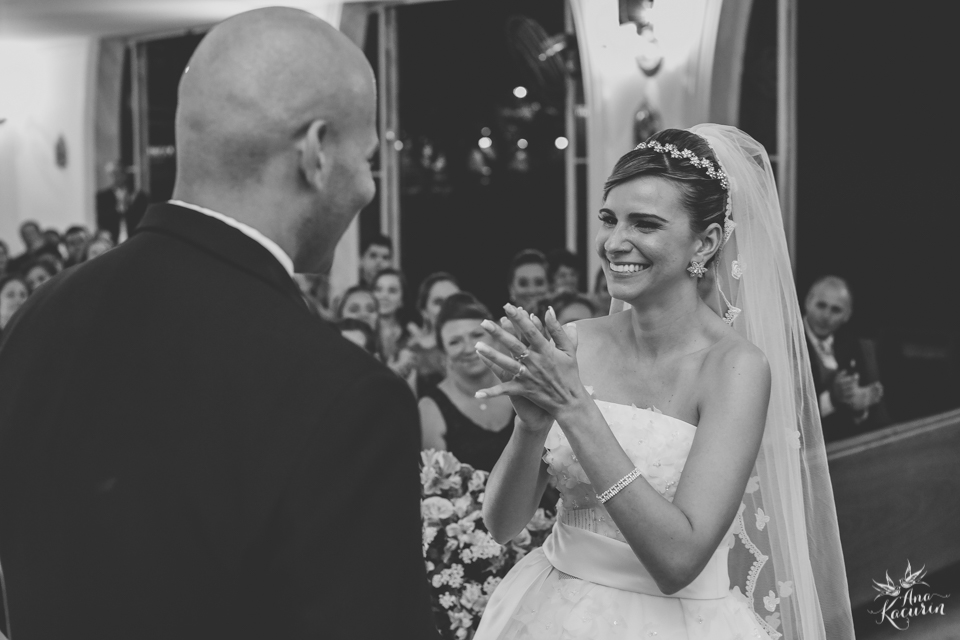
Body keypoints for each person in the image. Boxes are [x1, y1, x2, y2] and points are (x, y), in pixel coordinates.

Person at [0, 8, 436, 639]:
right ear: (315, 152)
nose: (369, 187)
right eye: (369, 158)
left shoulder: (39, 318)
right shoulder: (347, 397)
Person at [473, 126, 853, 640]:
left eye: (645, 224)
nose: (614, 242)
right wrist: (530, 427)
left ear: (708, 241)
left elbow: (679, 561)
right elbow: (501, 525)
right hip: (548, 610)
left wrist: (575, 408)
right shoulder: (576, 341)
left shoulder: (734, 367)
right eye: (609, 219)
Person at [419, 293, 515, 471]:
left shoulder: (520, 388)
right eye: (455, 342)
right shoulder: (430, 407)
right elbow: (438, 488)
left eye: (476, 335)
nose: (469, 348)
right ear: (443, 352)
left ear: (494, 338)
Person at [803, 276, 887, 441]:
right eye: (821, 305)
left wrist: (859, 408)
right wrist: (832, 398)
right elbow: (792, 414)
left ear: (847, 315)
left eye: (836, 310)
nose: (826, 316)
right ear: (807, 302)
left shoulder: (856, 346)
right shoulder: (786, 341)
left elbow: (862, 422)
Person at [407, 271, 460, 397]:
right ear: (424, 311)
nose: (447, 308)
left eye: (454, 300)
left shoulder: (480, 345)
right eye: (439, 302)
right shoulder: (413, 353)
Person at [95, 160, 151, 244]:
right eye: (114, 174)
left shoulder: (138, 195)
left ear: (125, 175)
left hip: (134, 236)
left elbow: (143, 217)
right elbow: (102, 219)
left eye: (120, 174)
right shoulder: (103, 196)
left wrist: (129, 205)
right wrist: (118, 207)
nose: (117, 177)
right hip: (112, 236)